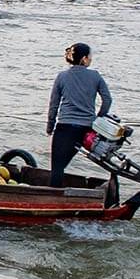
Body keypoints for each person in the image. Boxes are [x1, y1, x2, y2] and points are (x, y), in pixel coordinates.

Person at [47, 43, 112, 187]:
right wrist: (98, 120)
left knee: (57, 168)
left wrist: (50, 126)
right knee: (63, 164)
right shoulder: (95, 76)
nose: (91, 60)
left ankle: (53, 197)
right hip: (86, 129)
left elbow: (54, 104)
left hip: (64, 127)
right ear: (83, 59)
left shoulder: (62, 76)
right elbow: (107, 100)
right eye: (90, 57)